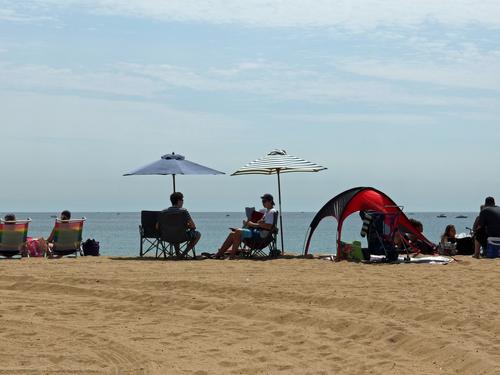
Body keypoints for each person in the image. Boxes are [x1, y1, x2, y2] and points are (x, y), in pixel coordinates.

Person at [215, 193, 277, 259]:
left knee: (238, 231)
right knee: (232, 234)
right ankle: (219, 254)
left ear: (270, 201)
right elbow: (262, 224)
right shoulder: (267, 211)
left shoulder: (271, 212)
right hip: (257, 233)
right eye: (262, 201)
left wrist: (252, 224)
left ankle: (231, 256)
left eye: (264, 201)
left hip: (261, 236)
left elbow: (269, 227)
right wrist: (255, 223)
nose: (263, 203)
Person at [160, 192, 201, 258]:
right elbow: (193, 226)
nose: (183, 201)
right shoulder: (183, 212)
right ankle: (183, 254)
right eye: (182, 200)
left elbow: (157, 226)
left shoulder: (163, 212)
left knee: (175, 232)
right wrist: (187, 226)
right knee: (198, 234)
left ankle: (177, 254)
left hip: (166, 237)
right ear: (179, 201)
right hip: (181, 236)